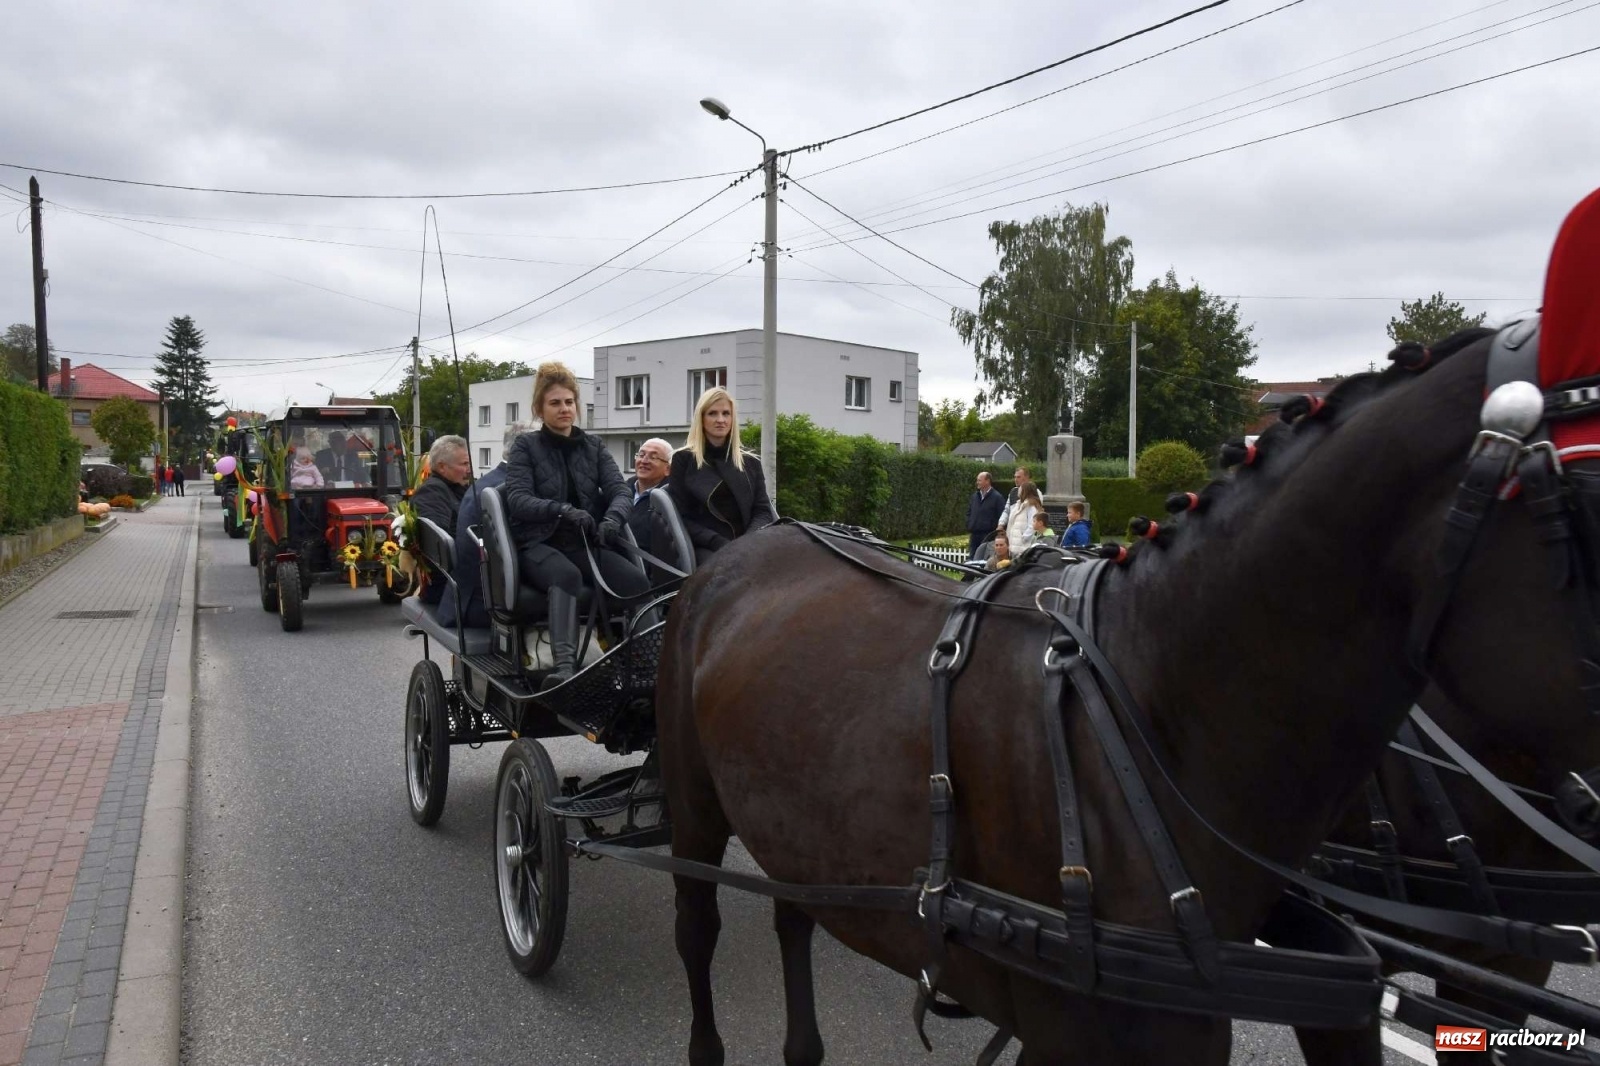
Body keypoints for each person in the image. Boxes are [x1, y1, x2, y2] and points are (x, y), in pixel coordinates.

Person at [503, 362, 648, 689]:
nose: (564, 409)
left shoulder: (593, 446)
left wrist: (612, 520)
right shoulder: (526, 447)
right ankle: (564, 668)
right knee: (565, 575)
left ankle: (648, 661)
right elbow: (518, 499)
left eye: (569, 402)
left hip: (584, 542)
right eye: (555, 403)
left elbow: (619, 491)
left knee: (637, 580)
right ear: (540, 408)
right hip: (538, 544)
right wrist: (562, 510)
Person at [668, 387, 776, 566]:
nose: (721, 420)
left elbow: (763, 511)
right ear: (701, 419)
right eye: (712, 413)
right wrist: (718, 543)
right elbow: (680, 517)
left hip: (749, 545)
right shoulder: (684, 460)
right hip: (705, 547)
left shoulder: (751, 463)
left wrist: (747, 543)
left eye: (726, 413)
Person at [412, 436, 472, 605]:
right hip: (449, 587)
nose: (469, 470)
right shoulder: (432, 492)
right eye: (464, 464)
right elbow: (439, 545)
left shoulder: (456, 488)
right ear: (442, 467)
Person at [626, 437, 673, 558]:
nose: (644, 461)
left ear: (668, 469)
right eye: (641, 455)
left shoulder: (671, 500)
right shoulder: (621, 490)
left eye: (653, 457)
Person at [965, 471, 1006, 561]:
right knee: (972, 558)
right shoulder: (975, 496)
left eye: (979, 480)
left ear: (987, 481)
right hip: (974, 534)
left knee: (984, 559)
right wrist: (969, 524)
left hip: (987, 535)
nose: (977, 482)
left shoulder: (997, 497)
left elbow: (1002, 515)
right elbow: (969, 512)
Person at [1003, 481, 1044, 551]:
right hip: (1014, 545)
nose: (1018, 490)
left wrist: (1023, 538)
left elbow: (1032, 525)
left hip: (1023, 547)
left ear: (1025, 491)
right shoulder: (1019, 504)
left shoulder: (1031, 506)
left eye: (1021, 488)